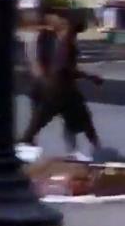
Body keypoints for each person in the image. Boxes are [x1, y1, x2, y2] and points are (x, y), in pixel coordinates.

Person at [19, 14, 103, 160]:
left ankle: (98, 150)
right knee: (84, 123)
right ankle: (99, 151)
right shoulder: (66, 43)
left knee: (39, 123)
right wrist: (89, 77)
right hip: (61, 91)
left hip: (61, 90)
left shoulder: (67, 41)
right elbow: (63, 68)